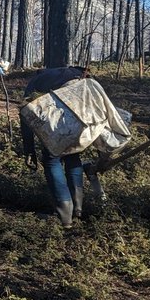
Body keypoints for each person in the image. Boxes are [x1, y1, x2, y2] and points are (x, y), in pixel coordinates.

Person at [20, 65, 91, 228]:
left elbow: (26, 115)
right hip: (80, 114)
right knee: (73, 153)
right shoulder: (77, 74)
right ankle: (78, 208)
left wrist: (29, 149)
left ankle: (64, 216)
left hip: (60, 118)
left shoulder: (35, 82)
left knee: (52, 158)